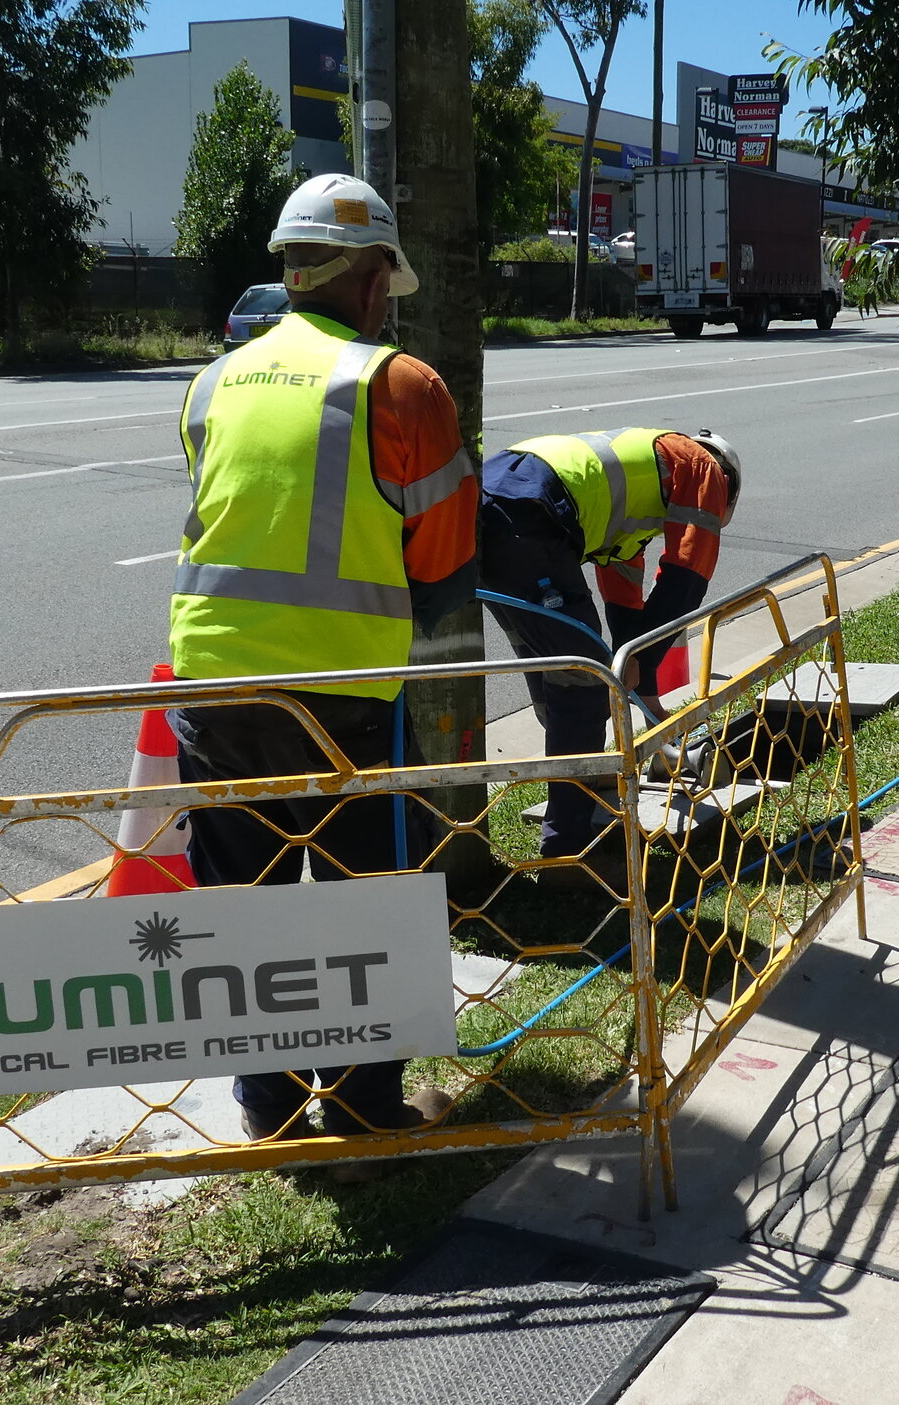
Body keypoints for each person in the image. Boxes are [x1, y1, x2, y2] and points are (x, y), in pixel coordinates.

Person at [166, 173, 476, 1152]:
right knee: (360, 911)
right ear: (375, 274)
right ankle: (359, 1116)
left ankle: (264, 1106)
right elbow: (440, 555)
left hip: (209, 687)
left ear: (293, 269)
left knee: (241, 915)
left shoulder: (212, 380)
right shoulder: (401, 385)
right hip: (340, 694)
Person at [478, 428, 742, 867]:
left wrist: (637, 670)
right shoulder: (703, 467)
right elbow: (687, 577)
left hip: (493, 506)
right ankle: (567, 852)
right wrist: (633, 660)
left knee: (557, 664)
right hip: (528, 516)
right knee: (582, 683)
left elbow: (625, 606)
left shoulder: (635, 494)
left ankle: (584, 776)